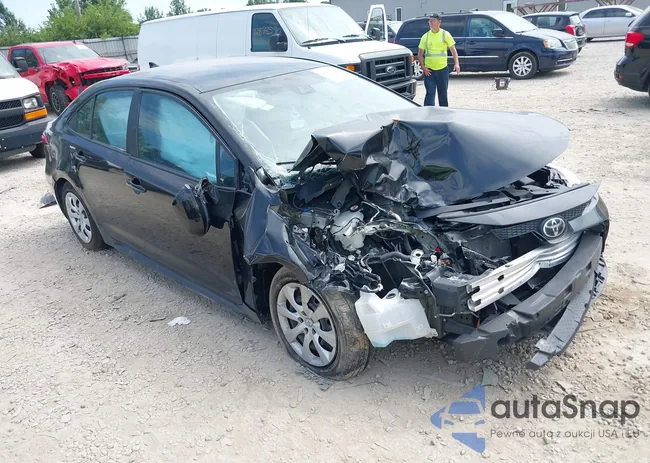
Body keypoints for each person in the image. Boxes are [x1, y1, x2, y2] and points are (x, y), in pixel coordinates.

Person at [417, 13, 460, 107]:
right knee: (430, 93)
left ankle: (443, 113)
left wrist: (456, 63)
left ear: (439, 22)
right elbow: (420, 54)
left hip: (442, 69)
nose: (431, 23)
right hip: (429, 71)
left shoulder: (445, 34)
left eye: (433, 21)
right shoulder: (425, 36)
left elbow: (453, 50)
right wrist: (423, 67)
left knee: (443, 93)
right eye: (429, 21)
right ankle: (429, 113)